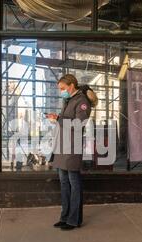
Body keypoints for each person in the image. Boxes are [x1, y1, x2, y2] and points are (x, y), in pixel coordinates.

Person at [48, 74, 96, 231]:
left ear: (71, 86)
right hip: (62, 146)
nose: (61, 91)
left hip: (72, 147)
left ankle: (74, 220)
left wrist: (58, 119)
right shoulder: (68, 100)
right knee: (64, 183)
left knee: (74, 184)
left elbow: (78, 123)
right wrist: (57, 117)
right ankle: (65, 217)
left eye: (62, 88)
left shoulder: (82, 102)